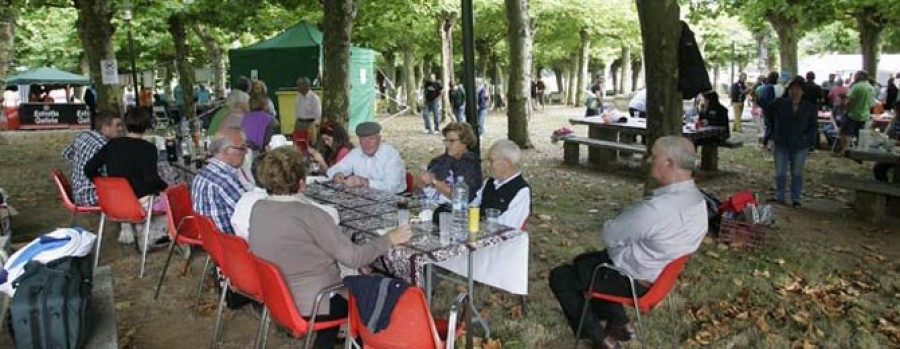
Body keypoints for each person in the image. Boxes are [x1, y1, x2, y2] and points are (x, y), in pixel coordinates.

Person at [549, 136, 707, 349]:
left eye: (654, 155)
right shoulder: (697, 199)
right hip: (657, 275)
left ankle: (598, 338)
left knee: (563, 276)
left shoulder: (659, 209)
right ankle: (619, 324)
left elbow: (610, 233)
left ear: (669, 163)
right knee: (586, 263)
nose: (649, 159)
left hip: (634, 278)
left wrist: (624, 229)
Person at [248, 147, 411, 349]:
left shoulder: (258, 208)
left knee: (358, 277)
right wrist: (390, 239)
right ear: (301, 183)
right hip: (318, 302)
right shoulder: (311, 215)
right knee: (384, 289)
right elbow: (354, 258)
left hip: (278, 299)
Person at [84, 107, 169, 245]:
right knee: (176, 196)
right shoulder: (148, 148)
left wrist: (105, 185)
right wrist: (167, 188)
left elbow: (89, 168)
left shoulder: (111, 145)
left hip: (113, 202)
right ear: (147, 125)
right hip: (139, 203)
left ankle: (138, 229)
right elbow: (151, 179)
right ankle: (160, 235)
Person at [766, 76, 818, 207]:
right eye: (792, 89)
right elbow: (768, 112)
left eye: (798, 89)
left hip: (800, 144)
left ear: (802, 91)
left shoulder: (809, 107)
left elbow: (813, 126)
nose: (794, 92)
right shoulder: (780, 103)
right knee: (780, 172)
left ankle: (796, 197)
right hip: (782, 142)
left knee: (797, 172)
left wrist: (808, 139)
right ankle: (780, 195)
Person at [192, 127, 253, 234]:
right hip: (231, 242)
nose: (246, 151)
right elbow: (252, 213)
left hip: (211, 240)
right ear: (226, 151)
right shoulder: (224, 181)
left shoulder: (203, 174)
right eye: (242, 148)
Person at [326, 122, 406, 194]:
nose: (367, 143)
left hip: (394, 200)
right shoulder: (356, 153)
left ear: (379, 139)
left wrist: (365, 182)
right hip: (364, 197)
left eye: (371, 138)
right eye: (363, 139)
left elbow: (391, 188)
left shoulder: (391, 156)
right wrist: (336, 174)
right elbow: (332, 171)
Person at [62, 112, 122, 206]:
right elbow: (113, 175)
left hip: (77, 191)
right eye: (117, 126)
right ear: (105, 128)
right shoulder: (106, 146)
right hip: (91, 195)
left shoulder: (84, 135)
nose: (120, 129)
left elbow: (67, 154)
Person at [416, 122, 482, 204]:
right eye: (446, 140)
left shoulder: (470, 163)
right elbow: (419, 185)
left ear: (465, 142)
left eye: (452, 141)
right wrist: (422, 180)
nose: (447, 145)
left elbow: (463, 197)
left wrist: (434, 182)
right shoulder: (440, 161)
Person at [470, 140, 531, 229]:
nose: (487, 165)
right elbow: (473, 204)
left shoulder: (521, 190)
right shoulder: (489, 182)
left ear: (506, 163)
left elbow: (509, 226)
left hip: (504, 239)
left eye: (491, 160)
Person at [841, 71, 876, 152]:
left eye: (856, 75)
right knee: (859, 134)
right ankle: (860, 150)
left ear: (861, 76)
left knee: (845, 133)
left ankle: (846, 150)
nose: (854, 77)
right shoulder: (871, 88)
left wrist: (846, 110)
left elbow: (850, 101)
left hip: (852, 114)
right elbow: (872, 104)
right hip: (864, 115)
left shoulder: (857, 86)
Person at [874, 100, 900, 182]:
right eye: (896, 109)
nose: (896, 111)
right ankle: (886, 190)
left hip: (896, 149)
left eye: (897, 110)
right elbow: (887, 132)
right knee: (878, 168)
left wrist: (896, 142)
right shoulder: (896, 118)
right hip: (894, 150)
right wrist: (883, 136)